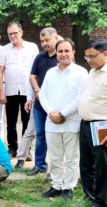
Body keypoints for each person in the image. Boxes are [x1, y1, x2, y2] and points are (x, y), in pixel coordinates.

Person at [39, 39, 88, 200]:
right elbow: (43, 95)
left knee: (72, 157)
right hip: (51, 122)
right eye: (60, 51)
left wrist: (63, 114)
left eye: (67, 51)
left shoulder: (81, 72)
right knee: (54, 157)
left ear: (73, 52)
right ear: (57, 53)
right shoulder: (50, 73)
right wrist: (52, 113)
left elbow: (80, 97)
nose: (63, 54)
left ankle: (68, 187)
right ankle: (57, 185)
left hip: (71, 121)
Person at [0, 22, 39, 158]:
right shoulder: (4, 50)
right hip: (10, 91)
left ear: (21, 32)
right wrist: (1, 91)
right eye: (10, 34)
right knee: (11, 121)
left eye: (15, 33)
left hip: (28, 92)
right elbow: (0, 71)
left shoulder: (32, 48)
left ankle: (26, 150)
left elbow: (36, 69)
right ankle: (12, 148)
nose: (13, 36)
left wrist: (35, 90)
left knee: (27, 122)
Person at [78, 39, 107, 207]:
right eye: (86, 57)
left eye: (92, 56)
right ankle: (89, 195)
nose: (88, 60)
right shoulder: (93, 71)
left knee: (101, 165)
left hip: (102, 125)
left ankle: (102, 200)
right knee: (86, 163)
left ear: (105, 54)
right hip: (86, 124)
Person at [28, 27, 60, 175]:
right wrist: (37, 91)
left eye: (47, 40)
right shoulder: (40, 57)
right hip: (40, 105)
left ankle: (56, 167)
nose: (44, 43)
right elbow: (32, 76)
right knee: (40, 135)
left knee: (56, 136)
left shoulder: (61, 57)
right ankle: (40, 165)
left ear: (56, 38)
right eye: (42, 41)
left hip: (56, 105)